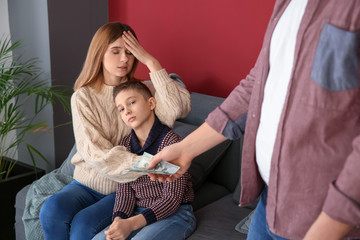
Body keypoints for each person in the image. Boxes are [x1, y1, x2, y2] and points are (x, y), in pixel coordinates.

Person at [148, 1, 360, 239]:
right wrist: (186, 149)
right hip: (268, 207)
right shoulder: (287, 4)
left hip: (328, 223)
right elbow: (256, 86)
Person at [39, 22, 191, 240]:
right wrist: (151, 164)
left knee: (83, 225)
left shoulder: (142, 91)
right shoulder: (83, 96)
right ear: (100, 53)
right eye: (116, 51)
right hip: (86, 182)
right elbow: (95, 154)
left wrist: (151, 61)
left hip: (124, 187)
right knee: (51, 209)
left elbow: (180, 107)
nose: (124, 59)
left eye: (130, 53)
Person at [92, 81, 195, 240]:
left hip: (176, 214)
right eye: (121, 109)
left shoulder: (171, 143)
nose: (127, 111)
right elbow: (124, 191)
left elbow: (171, 200)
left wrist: (131, 224)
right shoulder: (124, 146)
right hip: (138, 212)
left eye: (132, 102)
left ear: (151, 103)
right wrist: (119, 220)